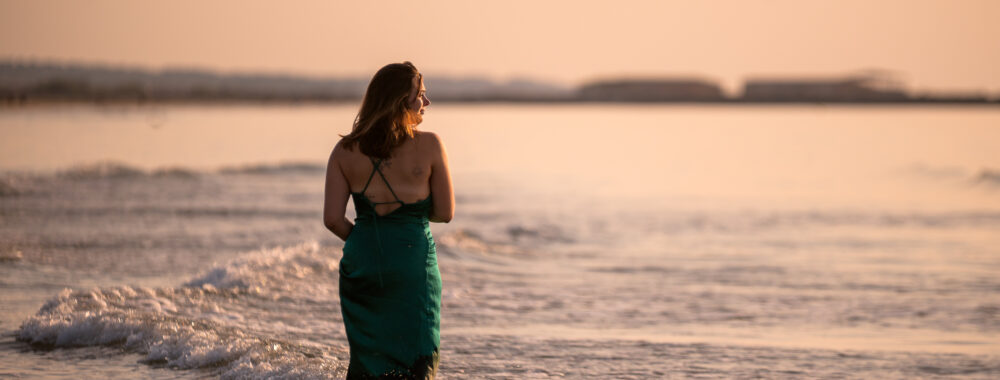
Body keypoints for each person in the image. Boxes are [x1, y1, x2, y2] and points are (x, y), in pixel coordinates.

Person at [324, 61, 454, 379]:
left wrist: (365, 240)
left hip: (363, 264)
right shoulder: (431, 145)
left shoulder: (344, 150)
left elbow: (332, 219)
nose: (427, 102)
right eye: (420, 95)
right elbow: (445, 212)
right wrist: (409, 218)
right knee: (417, 361)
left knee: (369, 362)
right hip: (413, 264)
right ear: (400, 101)